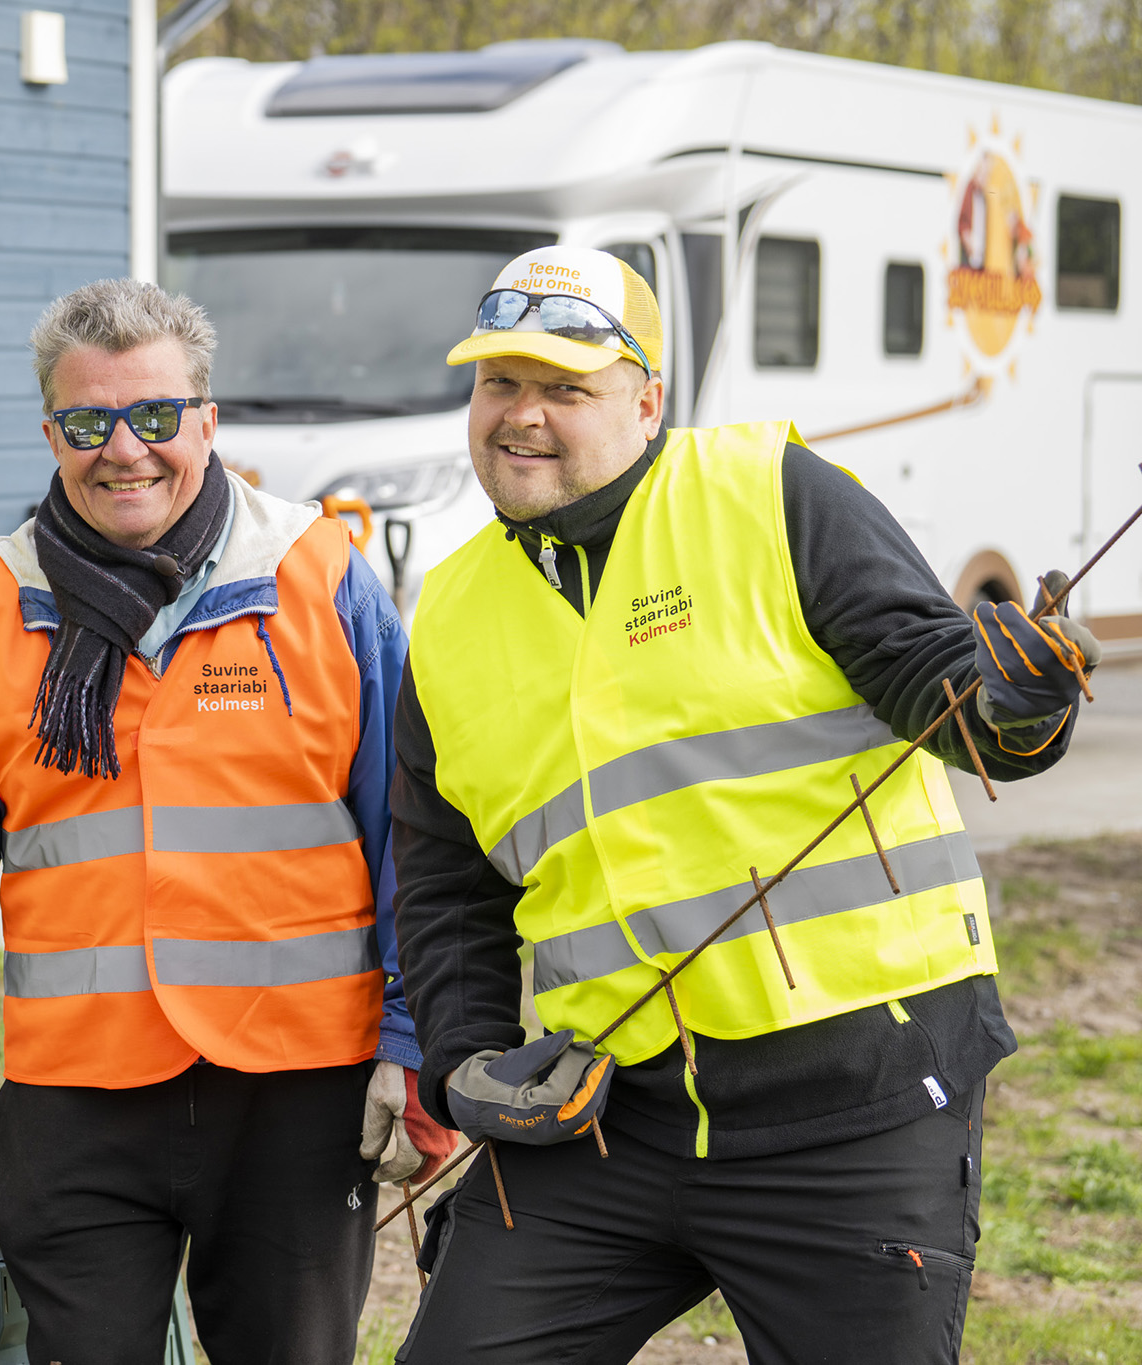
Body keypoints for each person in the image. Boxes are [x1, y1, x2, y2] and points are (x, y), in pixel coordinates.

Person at [390, 245, 1096, 1363]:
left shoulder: (769, 493)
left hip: (854, 1107)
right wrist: (467, 1059)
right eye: (498, 384)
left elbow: (945, 694)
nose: (520, 417)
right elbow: (441, 880)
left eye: (563, 389)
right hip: (604, 1117)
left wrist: (1017, 703)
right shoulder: (447, 615)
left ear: (645, 400)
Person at [0, 278, 454, 1364]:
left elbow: (412, 834)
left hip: (296, 1094)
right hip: (78, 1100)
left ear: (207, 422)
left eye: (155, 416)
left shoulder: (315, 581)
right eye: (88, 423)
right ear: (51, 432)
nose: (123, 449)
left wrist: (416, 1043)